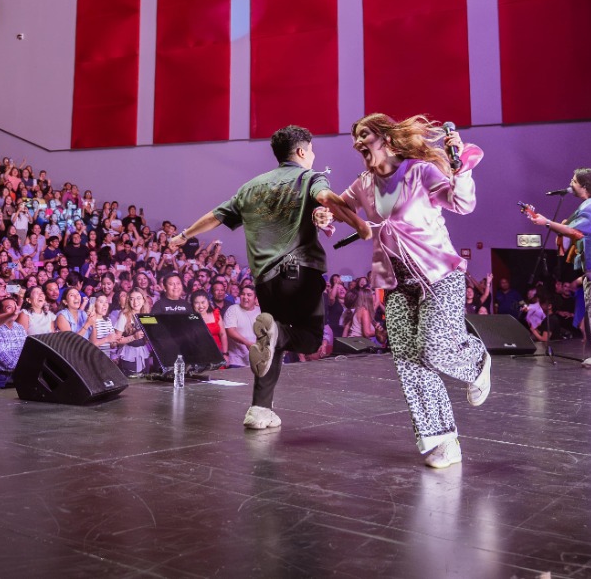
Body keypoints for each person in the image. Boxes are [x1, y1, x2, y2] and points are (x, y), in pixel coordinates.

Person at [169, 125, 370, 431]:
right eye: (312, 150)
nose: (314, 155)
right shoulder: (309, 178)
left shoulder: (251, 187)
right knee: (310, 339)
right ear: (301, 152)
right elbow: (327, 197)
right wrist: (357, 221)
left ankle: (259, 409)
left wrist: (183, 236)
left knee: (270, 341)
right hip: (301, 270)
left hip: (266, 279)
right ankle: (276, 335)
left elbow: (214, 216)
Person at [339, 114, 491, 469]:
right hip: (396, 283)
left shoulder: (420, 172)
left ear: (387, 140)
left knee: (435, 350)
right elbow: (342, 205)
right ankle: (442, 442)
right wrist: (326, 216)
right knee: (409, 361)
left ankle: (477, 359)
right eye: (355, 138)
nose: (357, 142)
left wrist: (462, 169)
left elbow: (461, 204)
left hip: (440, 275)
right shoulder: (363, 184)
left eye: (364, 135)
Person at [527, 167, 591, 369]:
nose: (570, 183)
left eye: (574, 180)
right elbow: (571, 230)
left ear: (584, 186)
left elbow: (575, 231)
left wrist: (546, 223)